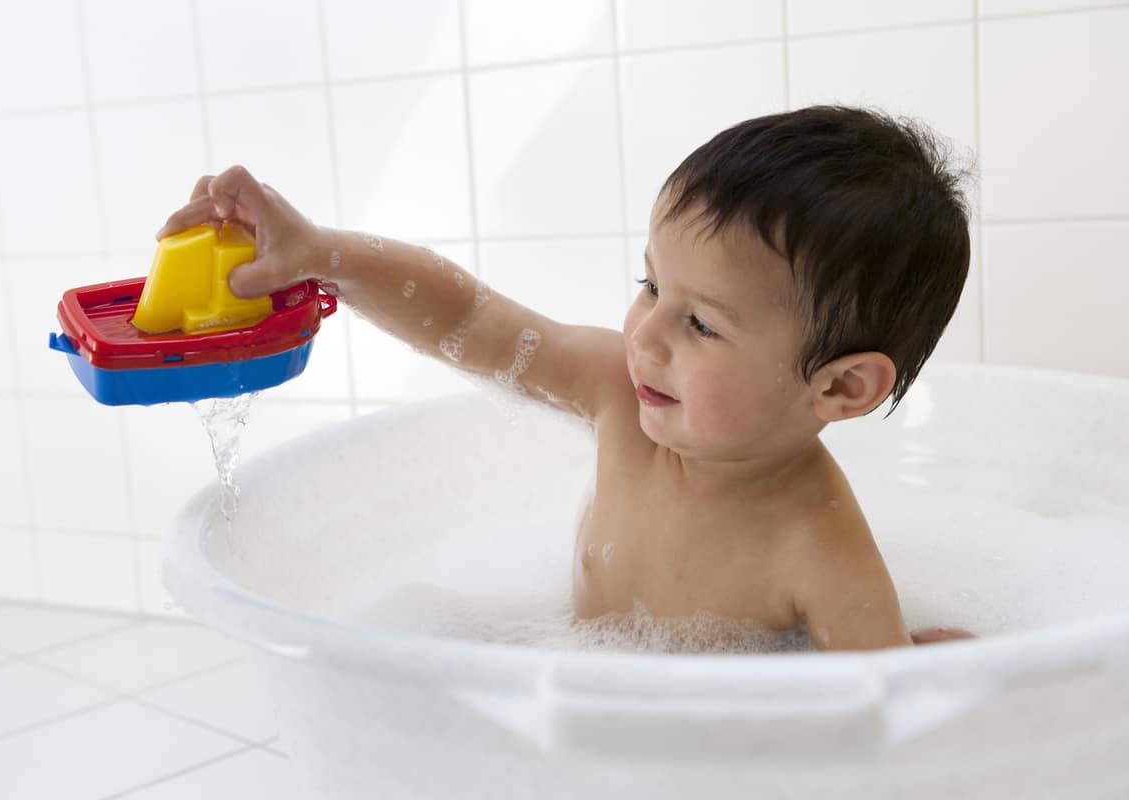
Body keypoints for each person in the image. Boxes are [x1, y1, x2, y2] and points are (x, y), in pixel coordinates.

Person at [158, 105, 977, 651]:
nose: (645, 334)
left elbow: (875, 725)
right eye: (650, 284)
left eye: (700, 324)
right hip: (570, 701)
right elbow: (469, 322)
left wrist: (931, 660)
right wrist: (318, 253)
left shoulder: (821, 549)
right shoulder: (620, 394)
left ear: (840, 390)